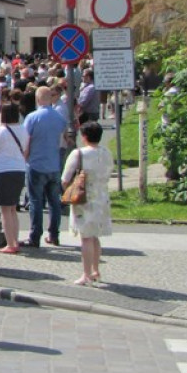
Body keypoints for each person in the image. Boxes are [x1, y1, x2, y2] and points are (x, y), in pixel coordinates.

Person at [62, 121, 113, 286]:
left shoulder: (79, 154)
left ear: (84, 137)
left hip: (84, 198)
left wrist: (69, 188)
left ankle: (86, 274)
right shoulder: (106, 153)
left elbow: (65, 178)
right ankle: (95, 269)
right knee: (95, 236)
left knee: (86, 237)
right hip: (102, 196)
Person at [22, 86, 67, 248]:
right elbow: (63, 138)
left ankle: (35, 236)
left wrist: (25, 158)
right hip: (54, 163)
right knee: (54, 201)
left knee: (36, 201)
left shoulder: (32, 118)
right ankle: (54, 234)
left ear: (38, 99)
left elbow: (26, 141)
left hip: (36, 163)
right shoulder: (59, 117)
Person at [0, 103, 28, 253]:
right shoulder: (24, 130)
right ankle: (15, 240)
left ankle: (10, 243)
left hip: (3, 170)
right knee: (13, 208)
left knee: (5, 208)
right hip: (20, 168)